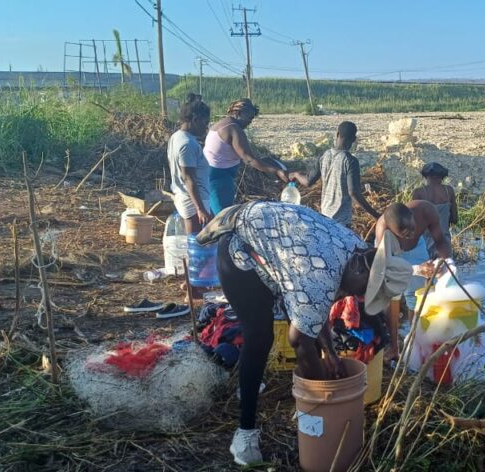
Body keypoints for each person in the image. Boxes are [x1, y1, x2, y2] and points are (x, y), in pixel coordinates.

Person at [198, 201, 410, 465]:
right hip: (240, 250)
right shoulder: (319, 276)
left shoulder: (356, 251)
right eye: (366, 288)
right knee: (260, 336)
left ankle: (264, 389)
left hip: (280, 250)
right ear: (358, 267)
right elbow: (299, 339)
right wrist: (322, 397)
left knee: (305, 321)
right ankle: (245, 434)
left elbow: (313, 307)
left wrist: (331, 355)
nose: (359, 296)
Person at [372, 201, 453, 361]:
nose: (409, 235)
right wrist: (417, 269)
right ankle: (394, 348)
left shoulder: (427, 210)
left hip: (416, 249)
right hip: (391, 256)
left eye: (412, 230)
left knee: (419, 296)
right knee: (392, 297)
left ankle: (416, 343)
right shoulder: (382, 229)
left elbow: (440, 240)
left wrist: (447, 263)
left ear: (412, 215)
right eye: (403, 234)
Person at [204, 98, 290, 214]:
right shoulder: (233, 129)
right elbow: (249, 159)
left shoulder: (221, 124)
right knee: (222, 217)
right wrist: (277, 171)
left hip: (209, 174)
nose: (250, 120)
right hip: (220, 178)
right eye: (249, 116)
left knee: (212, 214)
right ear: (239, 113)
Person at [293, 121, 380, 226]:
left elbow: (308, 181)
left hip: (324, 218)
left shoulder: (324, 156)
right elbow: (353, 192)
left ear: (337, 134)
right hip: (341, 223)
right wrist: (376, 215)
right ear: (353, 139)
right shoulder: (350, 161)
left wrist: (296, 174)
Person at [167, 93, 212, 234]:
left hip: (188, 197)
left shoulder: (176, 137)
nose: (206, 127)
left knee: (198, 244)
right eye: (205, 123)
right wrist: (200, 209)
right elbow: (188, 178)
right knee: (197, 245)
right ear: (196, 119)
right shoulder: (187, 144)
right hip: (192, 201)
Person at [410, 162, 458, 258]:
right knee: (445, 269)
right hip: (444, 243)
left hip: (426, 242)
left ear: (426, 177)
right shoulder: (449, 191)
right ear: (442, 177)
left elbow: (414, 222)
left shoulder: (418, 193)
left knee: (427, 269)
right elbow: (455, 219)